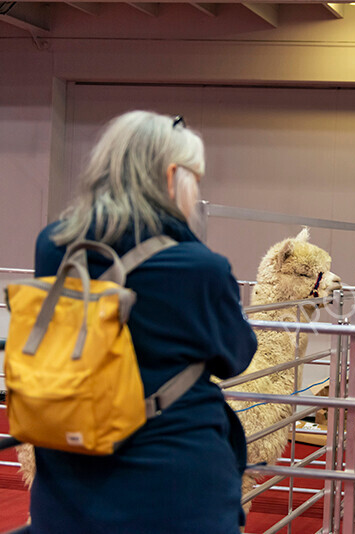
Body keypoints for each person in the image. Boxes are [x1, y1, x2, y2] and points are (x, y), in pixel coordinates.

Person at [29, 111, 258, 534]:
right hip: (174, 482)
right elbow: (235, 355)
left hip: (67, 477)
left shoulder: (54, 247)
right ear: (172, 177)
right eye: (196, 178)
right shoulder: (198, 267)